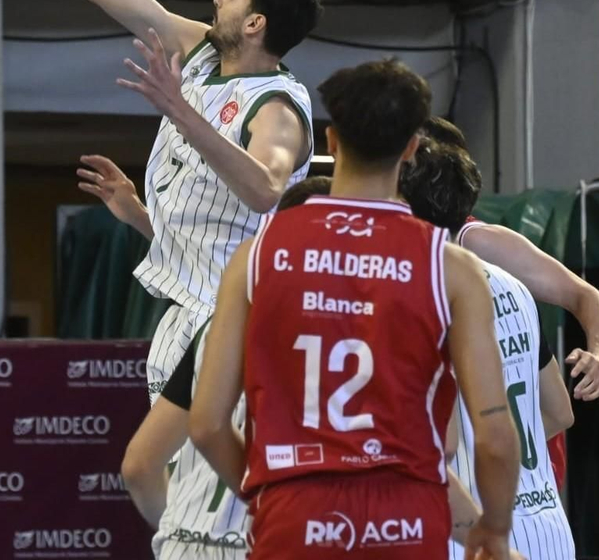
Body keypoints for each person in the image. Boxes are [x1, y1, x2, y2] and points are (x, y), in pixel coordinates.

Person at [190, 59, 520, 560]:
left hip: (294, 511)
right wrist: (493, 527)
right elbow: (495, 435)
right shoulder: (452, 269)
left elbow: (208, 425)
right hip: (406, 518)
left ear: (331, 141)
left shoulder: (256, 256)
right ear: (411, 148)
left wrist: (267, 493)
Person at [45, 0, 322, 407]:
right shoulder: (204, 54)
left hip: (238, 318)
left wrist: (180, 111)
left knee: (160, 472)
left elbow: (265, 190)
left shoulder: (277, 107)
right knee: (167, 478)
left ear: (255, 22)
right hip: (188, 311)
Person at [117, 172, 337, 559]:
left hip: (185, 540)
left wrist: (178, 526)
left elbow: (139, 467)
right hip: (274, 540)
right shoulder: (347, 342)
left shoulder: (215, 330)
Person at [399, 141, 579, 559]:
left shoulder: (421, 295)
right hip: (549, 528)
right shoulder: (513, 287)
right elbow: (558, 411)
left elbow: (438, 445)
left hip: (475, 531)